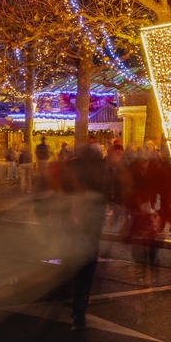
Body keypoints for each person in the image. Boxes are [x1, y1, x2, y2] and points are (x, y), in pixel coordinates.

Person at [61, 140, 109, 330]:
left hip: (76, 218)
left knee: (75, 263)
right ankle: (80, 309)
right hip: (92, 219)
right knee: (88, 265)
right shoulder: (102, 168)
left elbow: (64, 190)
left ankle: (75, 305)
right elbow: (106, 192)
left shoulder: (73, 165)